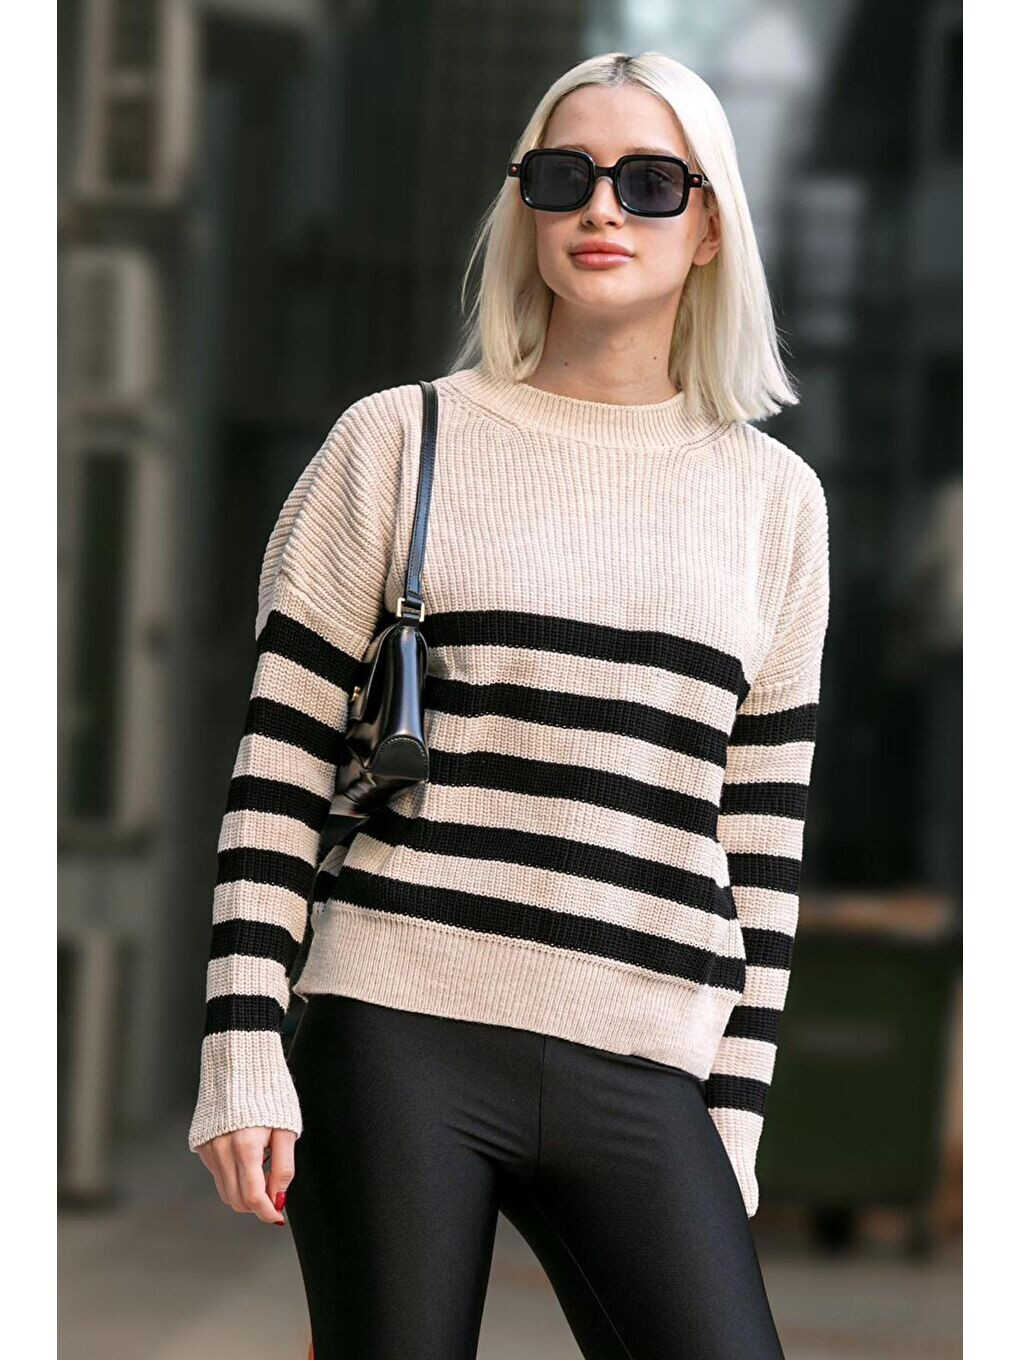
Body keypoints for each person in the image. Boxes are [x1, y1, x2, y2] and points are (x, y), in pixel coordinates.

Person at [188, 50, 830, 1360]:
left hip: (645, 1054)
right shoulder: (398, 443)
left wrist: (736, 1119)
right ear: (524, 204)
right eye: (564, 176)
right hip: (399, 1032)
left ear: (711, 226)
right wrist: (243, 1046)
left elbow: (760, 841)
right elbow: (279, 773)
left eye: (651, 183)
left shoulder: (777, 503)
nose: (602, 208)